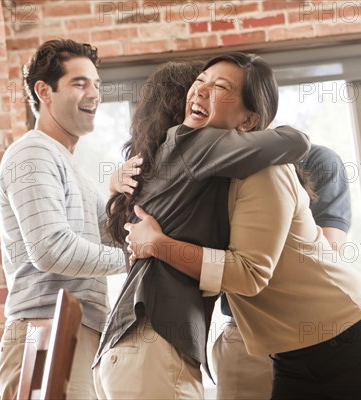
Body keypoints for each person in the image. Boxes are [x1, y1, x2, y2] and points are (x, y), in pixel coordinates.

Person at [125, 85, 361, 400]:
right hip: (283, 346)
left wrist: (161, 246)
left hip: (349, 333)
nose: (200, 100)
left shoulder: (272, 168)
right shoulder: (210, 181)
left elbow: (252, 271)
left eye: (221, 91)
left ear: (250, 117)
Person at [92, 54, 310, 399]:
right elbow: (295, 142)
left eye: (219, 86)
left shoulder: (160, 158)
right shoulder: (202, 144)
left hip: (123, 350)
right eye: (200, 81)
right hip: (153, 350)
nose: (200, 92)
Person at [0, 39, 139, 399]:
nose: (94, 94)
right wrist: (137, 253)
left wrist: (121, 202)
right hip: (45, 332)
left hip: (75, 330)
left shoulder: (72, 168)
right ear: (44, 91)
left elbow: (99, 242)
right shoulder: (33, 152)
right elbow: (51, 249)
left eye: (96, 85)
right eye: (79, 83)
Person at [213, 143, 352, 400]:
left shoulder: (319, 161)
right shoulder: (215, 174)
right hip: (245, 340)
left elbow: (327, 256)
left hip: (313, 335)